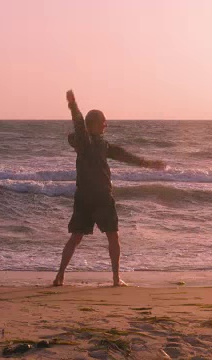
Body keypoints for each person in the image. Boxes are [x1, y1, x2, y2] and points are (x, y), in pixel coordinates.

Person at [54, 90, 166, 287]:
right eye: (103, 121)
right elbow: (79, 124)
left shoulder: (103, 145)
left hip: (91, 197)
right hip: (97, 198)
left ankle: (111, 278)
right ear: (95, 124)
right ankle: (62, 276)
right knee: (90, 237)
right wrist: (73, 105)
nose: (106, 125)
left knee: (101, 237)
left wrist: (149, 164)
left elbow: (126, 156)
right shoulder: (84, 141)